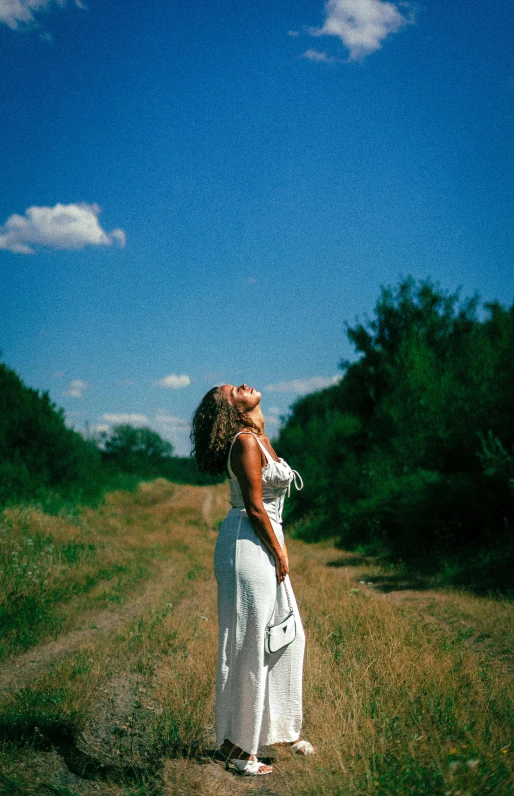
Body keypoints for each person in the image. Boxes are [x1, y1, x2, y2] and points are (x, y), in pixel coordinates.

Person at [191, 382, 313, 776]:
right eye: (232, 391)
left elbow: (271, 485)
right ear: (230, 410)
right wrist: (279, 551)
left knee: (289, 637)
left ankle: (280, 730)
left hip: (260, 540)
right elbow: (256, 507)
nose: (242, 385)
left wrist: (260, 426)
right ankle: (237, 749)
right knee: (248, 644)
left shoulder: (255, 438)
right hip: (249, 541)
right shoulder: (244, 442)